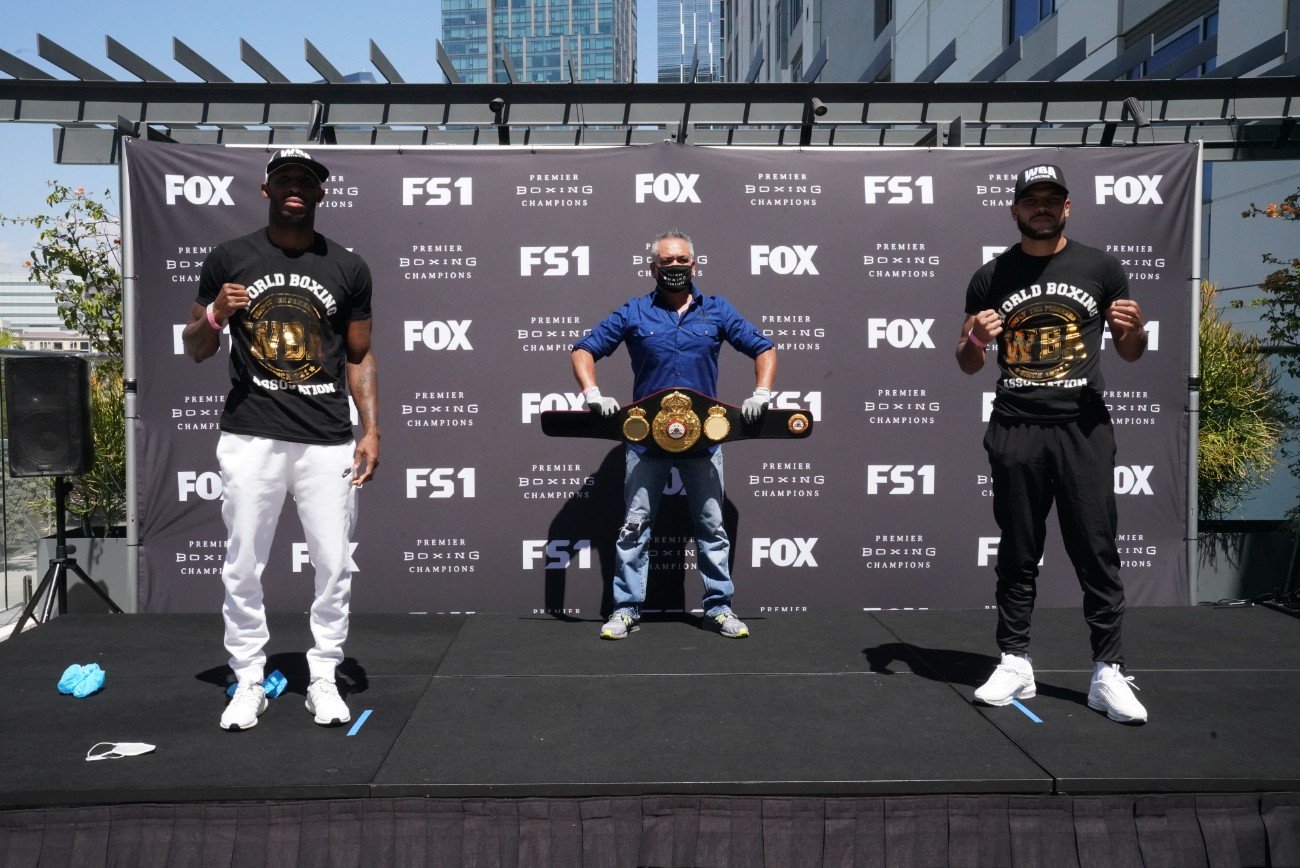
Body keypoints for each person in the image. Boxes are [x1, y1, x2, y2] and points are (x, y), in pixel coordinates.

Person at [182, 148, 380, 731]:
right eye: (286, 179)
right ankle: (247, 679)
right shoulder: (229, 257)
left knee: (334, 564)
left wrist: (371, 428)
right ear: (266, 189)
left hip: (326, 437)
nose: (297, 187)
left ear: (321, 194)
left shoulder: (347, 266)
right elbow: (195, 347)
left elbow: (360, 354)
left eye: (308, 180)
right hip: (251, 435)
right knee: (243, 563)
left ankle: (322, 674)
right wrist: (215, 313)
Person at [956, 163, 1149, 724]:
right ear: (1014, 209)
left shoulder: (1101, 267)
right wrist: (974, 338)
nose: (1041, 207)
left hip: (1082, 427)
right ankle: (1015, 660)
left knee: (1096, 549)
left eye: (1052, 199)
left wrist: (1135, 330)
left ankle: (1107, 672)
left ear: (1067, 208)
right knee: (1018, 551)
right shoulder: (990, 276)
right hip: (1017, 426)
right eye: (1031, 199)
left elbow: (1131, 351)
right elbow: (966, 363)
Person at [571, 229, 776, 640]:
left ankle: (718, 609)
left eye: (683, 259)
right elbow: (583, 349)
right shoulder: (634, 312)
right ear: (653, 267)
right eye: (667, 261)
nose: (676, 267)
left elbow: (764, 348)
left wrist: (762, 393)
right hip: (645, 441)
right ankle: (625, 609)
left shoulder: (717, 310)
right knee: (634, 527)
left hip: (704, 441)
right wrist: (591, 392)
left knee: (712, 528)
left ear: (695, 263)